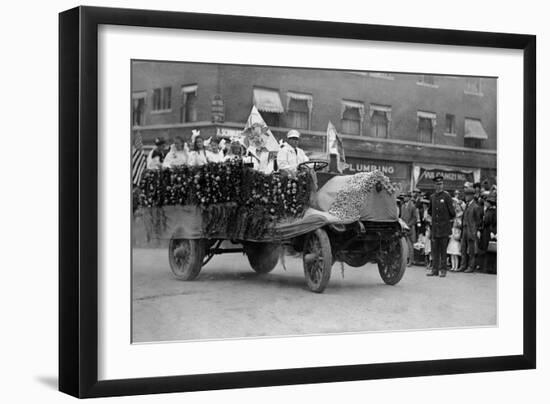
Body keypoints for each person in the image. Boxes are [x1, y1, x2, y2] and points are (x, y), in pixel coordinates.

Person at [427, 175, 455, 277]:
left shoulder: (446, 196)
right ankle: (434, 270)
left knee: (443, 250)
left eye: (441, 184)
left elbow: (452, 213)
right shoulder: (432, 197)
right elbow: (430, 211)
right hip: (435, 228)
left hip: (444, 228)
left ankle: (443, 270)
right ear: (434, 185)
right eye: (437, 184)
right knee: (434, 250)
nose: (439, 186)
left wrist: (447, 221)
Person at [458, 187, 483, 273]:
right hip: (464, 229)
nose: (466, 197)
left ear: (472, 196)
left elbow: (478, 221)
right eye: (466, 195)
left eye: (467, 195)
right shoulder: (467, 205)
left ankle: (471, 266)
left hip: (471, 230)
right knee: (463, 248)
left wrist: (474, 230)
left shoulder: (475, 206)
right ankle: (463, 265)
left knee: (471, 250)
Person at [478, 193, 497, 273]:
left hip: (488, 232)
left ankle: (487, 268)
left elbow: (486, 221)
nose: (485, 203)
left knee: (487, 250)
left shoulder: (490, 211)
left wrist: (493, 232)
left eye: (486, 201)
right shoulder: (492, 211)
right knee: (487, 250)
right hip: (488, 231)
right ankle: (487, 268)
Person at [401, 193, 420, 266]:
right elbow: (402, 216)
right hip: (403, 227)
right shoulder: (402, 206)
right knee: (404, 245)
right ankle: (405, 260)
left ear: (409, 198)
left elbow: (415, 218)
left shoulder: (412, 206)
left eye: (405, 196)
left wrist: (408, 225)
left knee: (410, 245)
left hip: (410, 228)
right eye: (404, 197)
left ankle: (411, 261)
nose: (404, 198)